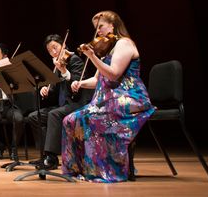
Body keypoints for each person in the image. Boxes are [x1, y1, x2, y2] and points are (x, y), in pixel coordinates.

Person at [60, 10, 156, 183]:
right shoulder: (109, 49)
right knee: (70, 120)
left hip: (128, 98)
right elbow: (98, 80)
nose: (98, 32)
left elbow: (113, 74)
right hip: (109, 99)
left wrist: (92, 56)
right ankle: (82, 169)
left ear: (113, 25)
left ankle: (108, 170)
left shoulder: (124, 44)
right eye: (96, 28)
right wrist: (80, 83)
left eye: (100, 27)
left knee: (95, 119)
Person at [26, 34, 93, 170]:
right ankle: (45, 155)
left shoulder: (75, 61)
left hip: (78, 103)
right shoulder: (57, 65)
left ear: (63, 45)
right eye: (50, 51)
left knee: (54, 114)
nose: (53, 52)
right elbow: (54, 92)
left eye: (55, 48)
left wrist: (64, 71)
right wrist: (46, 90)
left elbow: (76, 88)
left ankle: (51, 156)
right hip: (63, 105)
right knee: (34, 116)